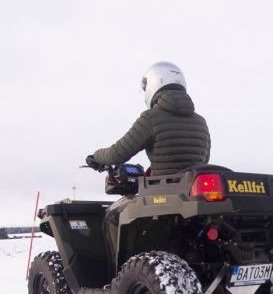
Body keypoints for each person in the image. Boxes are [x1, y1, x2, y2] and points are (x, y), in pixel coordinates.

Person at [86, 61, 211, 263]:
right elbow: (204, 160)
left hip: (161, 196)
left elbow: (118, 153)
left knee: (112, 215)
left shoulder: (151, 118)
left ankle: (119, 275)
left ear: (153, 85)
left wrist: (96, 157)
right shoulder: (200, 121)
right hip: (194, 197)